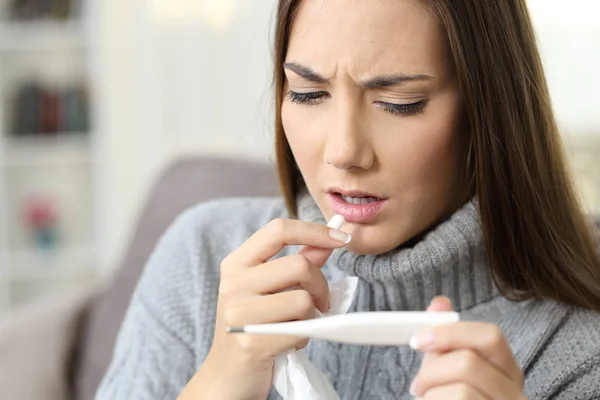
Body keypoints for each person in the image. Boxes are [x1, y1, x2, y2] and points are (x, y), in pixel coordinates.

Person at [96, 0, 600, 399]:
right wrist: (220, 383)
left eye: (399, 104)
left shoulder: (580, 349)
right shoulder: (203, 254)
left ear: (488, 111)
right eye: (308, 94)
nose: (343, 152)